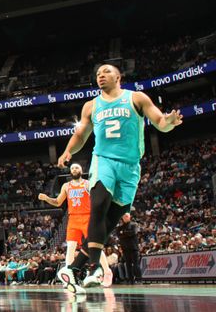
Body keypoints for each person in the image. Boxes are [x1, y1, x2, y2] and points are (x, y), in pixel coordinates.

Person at [56, 63, 182, 293]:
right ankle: (95, 267)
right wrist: (67, 152)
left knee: (109, 223)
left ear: (118, 77)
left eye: (106, 72)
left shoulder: (136, 98)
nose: (100, 76)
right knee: (99, 206)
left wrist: (169, 122)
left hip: (130, 166)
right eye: (97, 74)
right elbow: (81, 134)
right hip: (103, 160)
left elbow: (161, 123)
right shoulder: (91, 106)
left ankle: (73, 269)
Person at [38, 163, 112, 286]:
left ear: (81, 170)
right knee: (70, 248)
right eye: (72, 168)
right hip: (73, 219)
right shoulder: (66, 186)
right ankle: (69, 277)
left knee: (95, 246)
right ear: (70, 171)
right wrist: (46, 198)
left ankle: (107, 271)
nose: (74, 169)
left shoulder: (88, 184)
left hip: (87, 217)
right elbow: (57, 202)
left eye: (77, 167)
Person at [117, 213, 140, 283]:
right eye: (124, 216)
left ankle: (139, 279)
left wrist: (123, 233)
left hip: (133, 248)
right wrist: (126, 233)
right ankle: (131, 280)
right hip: (125, 249)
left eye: (127, 216)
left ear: (129, 217)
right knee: (128, 265)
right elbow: (119, 235)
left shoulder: (134, 224)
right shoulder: (120, 227)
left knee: (136, 264)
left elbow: (133, 233)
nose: (125, 217)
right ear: (122, 218)